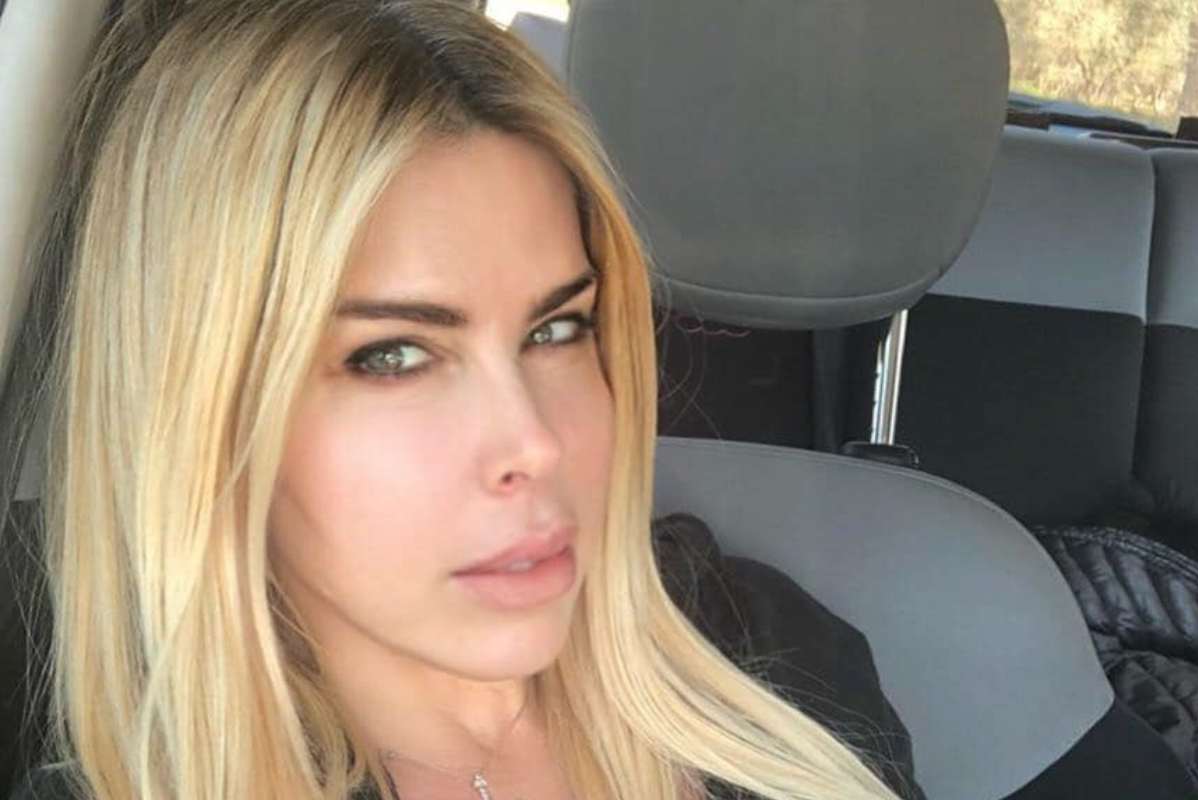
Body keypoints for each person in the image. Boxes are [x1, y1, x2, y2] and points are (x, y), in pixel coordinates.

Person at [2, 1, 921, 798]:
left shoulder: (779, 664)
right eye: (393, 356)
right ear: (209, 409)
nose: (535, 443)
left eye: (557, 330)